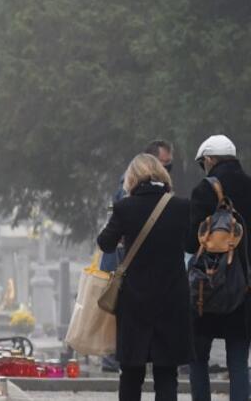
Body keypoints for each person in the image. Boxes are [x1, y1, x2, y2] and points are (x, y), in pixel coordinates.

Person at [97, 153, 192, 401]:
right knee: (167, 372)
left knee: (131, 372)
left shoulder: (124, 207)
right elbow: (192, 244)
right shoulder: (181, 206)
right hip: (172, 298)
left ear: (132, 178)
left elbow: (105, 243)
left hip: (135, 300)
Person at [188, 135, 251, 401]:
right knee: (238, 360)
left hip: (208, 287)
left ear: (210, 159)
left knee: (198, 357)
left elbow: (190, 242)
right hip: (244, 287)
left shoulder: (203, 190)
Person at [101, 140, 174, 273]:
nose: (168, 168)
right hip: (123, 264)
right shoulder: (129, 188)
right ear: (150, 162)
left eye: (169, 163)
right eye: (164, 163)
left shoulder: (152, 188)